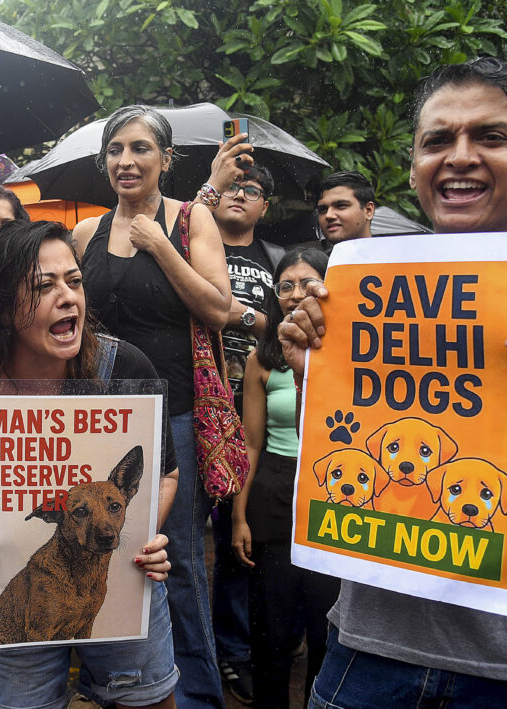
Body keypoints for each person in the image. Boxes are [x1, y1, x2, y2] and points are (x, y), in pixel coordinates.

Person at [279, 57, 507, 705]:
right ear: (413, 168)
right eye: (439, 140)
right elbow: (340, 462)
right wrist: (311, 377)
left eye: (490, 136)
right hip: (369, 652)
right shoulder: (361, 290)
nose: (460, 156)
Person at [0, 219, 180, 709]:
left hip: (125, 584)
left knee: (148, 699)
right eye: (43, 287)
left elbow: (165, 474)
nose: (69, 298)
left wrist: (147, 534)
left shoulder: (125, 370)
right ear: (0, 309)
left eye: (75, 281)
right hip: (14, 594)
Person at [73, 104, 231, 709]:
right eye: (115, 149)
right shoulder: (85, 234)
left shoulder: (192, 223)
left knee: (180, 562)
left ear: (167, 160)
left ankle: (197, 697)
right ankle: (130, 687)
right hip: (100, 424)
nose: (125, 161)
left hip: (176, 421)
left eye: (140, 148)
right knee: (113, 555)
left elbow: (218, 310)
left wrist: (161, 247)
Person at [230, 247, 338, 709]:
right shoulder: (263, 358)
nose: (296, 294)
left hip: (333, 490)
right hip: (274, 489)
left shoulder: (349, 353)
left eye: (307, 283)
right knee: (270, 627)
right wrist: (239, 517)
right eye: (286, 285)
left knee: (325, 627)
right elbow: (251, 445)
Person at [199, 161, 286, 705]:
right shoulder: (196, 242)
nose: (239, 195)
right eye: (231, 188)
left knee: (242, 530)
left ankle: (236, 648)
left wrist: (240, 316)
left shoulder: (277, 260)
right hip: (203, 399)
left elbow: (282, 324)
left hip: (251, 401)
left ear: (264, 207)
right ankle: (205, 646)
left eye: (250, 190)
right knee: (191, 529)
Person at [314, 171, 376, 250]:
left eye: (341, 206)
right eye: (323, 209)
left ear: (368, 210)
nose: (329, 215)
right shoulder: (314, 262)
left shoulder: (393, 258)